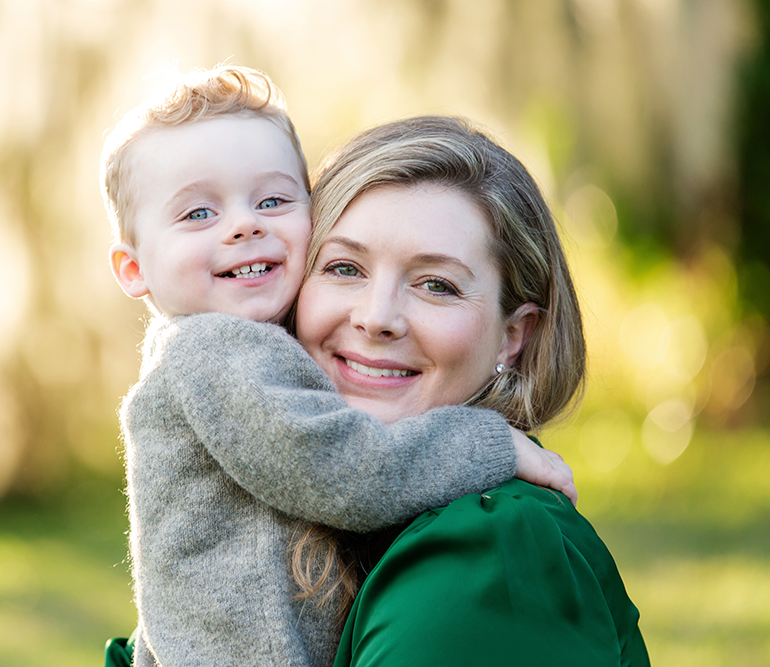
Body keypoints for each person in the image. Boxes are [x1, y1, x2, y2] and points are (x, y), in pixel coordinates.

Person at [100, 66, 576, 667]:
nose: (245, 224)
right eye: (346, 269)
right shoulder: (213, 354)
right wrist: (490, 446)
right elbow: (348, 471)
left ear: (516, 335)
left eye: (272, 200)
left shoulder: (498, 550)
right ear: (133, 268)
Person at [288, 115, 649, 666]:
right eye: (343, 267)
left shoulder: (488, 556)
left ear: (513, 337)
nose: (377, 317)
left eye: (437, 285)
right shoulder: (295, 524)